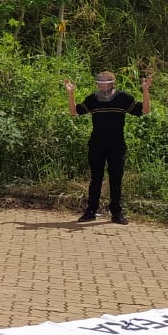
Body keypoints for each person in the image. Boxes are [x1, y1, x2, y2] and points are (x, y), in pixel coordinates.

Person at [65, 71, 153, 225]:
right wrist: (71, 93)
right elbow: (74, 112)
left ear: (113, 83)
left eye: (106, 82)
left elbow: (144, 110)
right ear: (97, 83)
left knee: (116, 178)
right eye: (100, 81)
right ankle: (91, 211)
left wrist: (145, 90)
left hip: (117, 144)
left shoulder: (123, 98)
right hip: (96, 144)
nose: (103, 84)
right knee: (96, 178)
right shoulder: (92, 99)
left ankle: (116, 213)